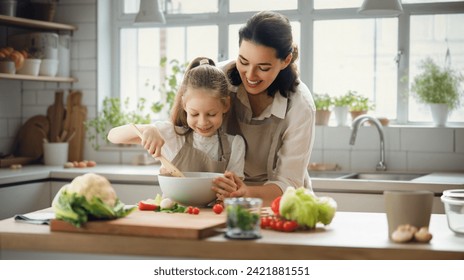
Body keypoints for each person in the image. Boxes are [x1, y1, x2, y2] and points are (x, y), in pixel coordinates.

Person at [212, 11, 316, 206]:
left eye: (264, 67)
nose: (250, 75)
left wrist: (246, 192)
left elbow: (288, 183)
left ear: (286, 60)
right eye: (243, 61)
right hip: (224, 198)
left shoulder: (300, 105)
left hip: (281, 203)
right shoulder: (218, 79)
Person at [107, 57, 246, 180]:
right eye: (195, 114)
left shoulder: (235, 144)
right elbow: (113, 136)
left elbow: (237, 188)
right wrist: (149, 129)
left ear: (226, 105)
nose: (203, 122)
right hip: (173, 209)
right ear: (184, 104)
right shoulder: (172, 135)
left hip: (215, 210)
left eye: (211, 114)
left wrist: (230, 191)